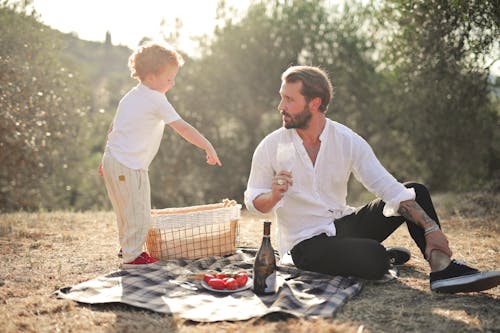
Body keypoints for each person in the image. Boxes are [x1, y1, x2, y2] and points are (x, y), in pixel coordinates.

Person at [244, 65, 500, 293]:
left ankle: (443, 270)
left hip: (342, 225)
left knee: (414, 191)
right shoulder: (271, 146)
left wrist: (430, 227)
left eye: (289, 99)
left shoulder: (346, 140)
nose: (281, 107)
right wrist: (274, 195)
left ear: (314, 102)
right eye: (282, 98)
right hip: (304, 244)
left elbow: (387, 186)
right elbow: (253, 202)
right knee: (375, 259)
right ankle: (374, 254)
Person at [100, 42, 221, 268]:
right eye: (169, 78)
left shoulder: (131, 96)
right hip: (129, 165)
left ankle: (128, 247)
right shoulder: (156, 98)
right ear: (152, 76)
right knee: (139, 212)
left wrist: (105, 160)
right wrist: (207, 146)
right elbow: (182, 127)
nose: (172, 83)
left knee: (124, 211)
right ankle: (133, 257)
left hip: (113, 161)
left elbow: (114, 128)